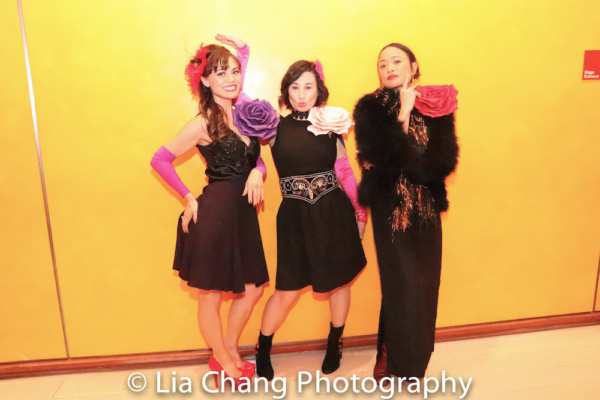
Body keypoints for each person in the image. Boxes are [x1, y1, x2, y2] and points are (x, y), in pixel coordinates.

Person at [150, 34, 272, 387]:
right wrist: (188, 197)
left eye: (234, 71)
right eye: (220, 73)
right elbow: (160, 159)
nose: (231, 78)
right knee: (211, 294)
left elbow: (259, 162)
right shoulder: (204, 121)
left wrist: (256, 171)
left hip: (244, 214)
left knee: (253, 289)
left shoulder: (245, 115)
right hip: (215, 214)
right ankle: (224, 359)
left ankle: (226, 349)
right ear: (204, 80)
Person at [254, 60, 368, 380]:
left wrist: (361, 213)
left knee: (339, 281)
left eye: (308, 87)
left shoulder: (331, 125)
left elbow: (345, 174)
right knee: (287, 290)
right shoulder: (275, 127)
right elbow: (244, 116)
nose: (301, 95)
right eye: (294, 87)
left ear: (319, 91)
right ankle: (263, 348)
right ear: (285, 91)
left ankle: (335, 343)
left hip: (334, 213)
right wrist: (244, 55)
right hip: (294, 217)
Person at [353, 43, 459, 382]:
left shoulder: (437, 103)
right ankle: (389, 357)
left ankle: (412, 364)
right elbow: (376, 160)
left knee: (424, 286)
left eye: (396, 61)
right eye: (382, 64)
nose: (389, 68)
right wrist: (403, 115)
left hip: (425, 210)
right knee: (401, 284)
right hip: (390, 208)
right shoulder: (371, 108)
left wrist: (399, 162)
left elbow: (443, 160)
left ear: (413, 66)